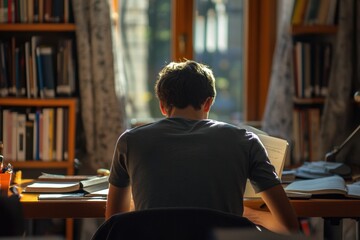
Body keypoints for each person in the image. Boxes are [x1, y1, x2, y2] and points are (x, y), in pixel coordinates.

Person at [106, 60, 299, 234]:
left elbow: (114, 222)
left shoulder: (130, 141)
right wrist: (244, 215)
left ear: (163, 106)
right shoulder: (245, 141)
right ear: (208, 103)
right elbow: (288, 226)